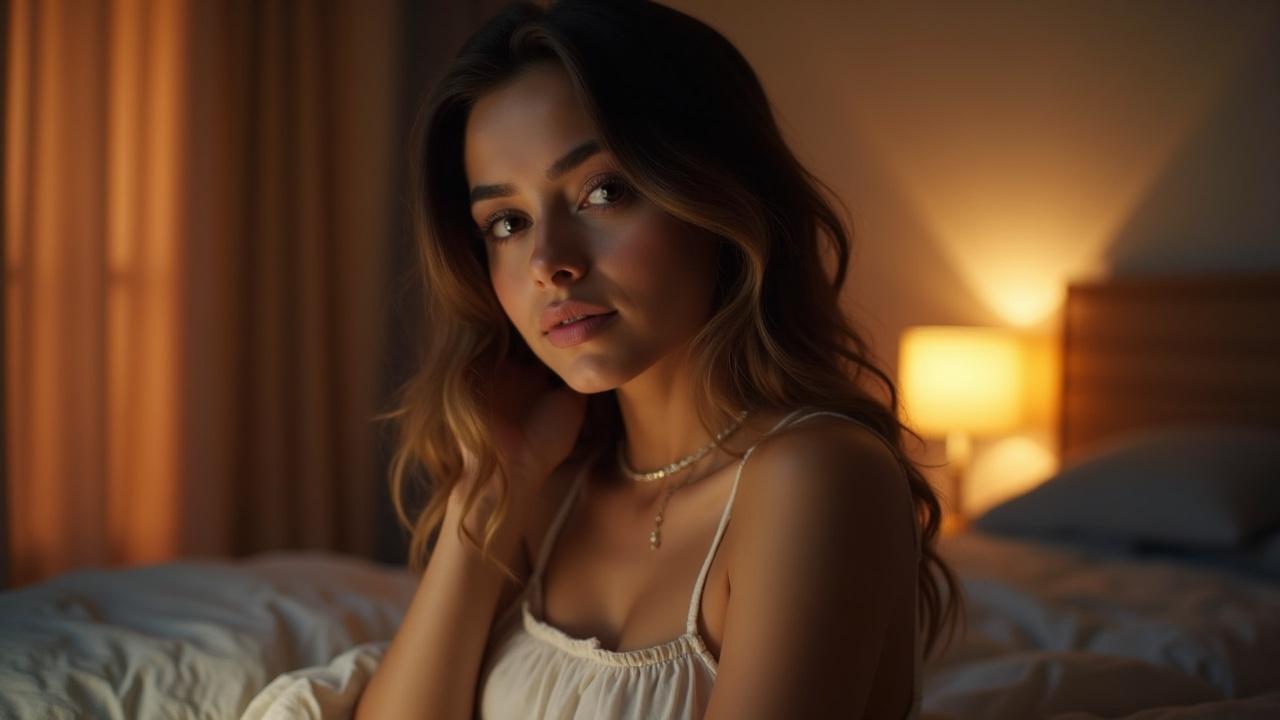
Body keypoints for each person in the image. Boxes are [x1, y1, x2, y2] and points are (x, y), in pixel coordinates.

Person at [356, 1, 963, 718]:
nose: (549, 262)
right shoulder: (546, 489)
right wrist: (492, 489)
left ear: (717, 194)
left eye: (602, 192)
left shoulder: (816, 476)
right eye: (508, 223)